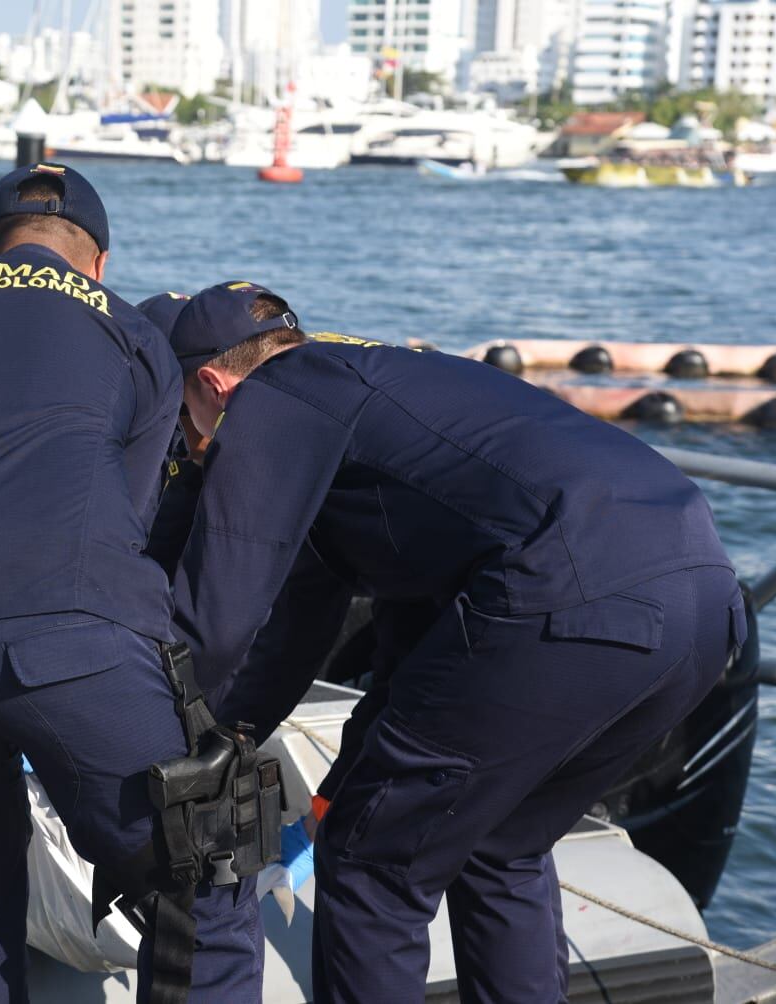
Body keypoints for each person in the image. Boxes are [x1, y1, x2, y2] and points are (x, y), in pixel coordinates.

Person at [164, 281, 746, 1001]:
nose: (191, 445)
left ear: (212, 384)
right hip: (705, 591)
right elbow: (381, 618)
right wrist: (268, 736)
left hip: (567, 589)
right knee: (503, 844)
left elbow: (222, 616)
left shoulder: (276, 396)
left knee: (371, 861)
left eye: (184, 419)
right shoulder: (380, 383)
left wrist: (166, 737)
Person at [0, 165, 262, 1002]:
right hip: (68, 634)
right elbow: (130, 516)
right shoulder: (133, 333)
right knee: (208, 872)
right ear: (98, 264)